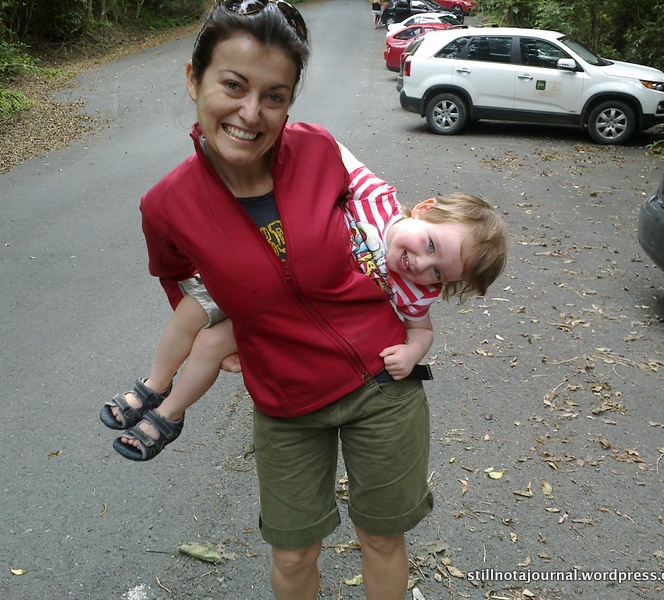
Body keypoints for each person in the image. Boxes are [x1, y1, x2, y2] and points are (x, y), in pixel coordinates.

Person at [113, 1, 508, 598]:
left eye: (275, 95)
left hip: (382, 391)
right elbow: (174, 276)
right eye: (233, 85)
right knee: (295, 554)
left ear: (290, 101)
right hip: (287, 404)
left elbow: (411, 241)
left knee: (382, 539)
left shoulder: (319, 151)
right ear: (194, 79)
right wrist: (215, 338)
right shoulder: (166, 204)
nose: (251, 113)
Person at [100, 162, 508, 460]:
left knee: (210, 343)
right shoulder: (376, 199)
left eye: (438, 272)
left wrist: (413, 352)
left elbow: (422, 330)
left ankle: (171, 413)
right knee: (192, 311)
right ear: (424, 208)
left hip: (286, 313)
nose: (421, 264)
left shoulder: (415, 291)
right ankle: (155, 383)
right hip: (260, 267)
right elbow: (329, 154)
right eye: (431, 245)